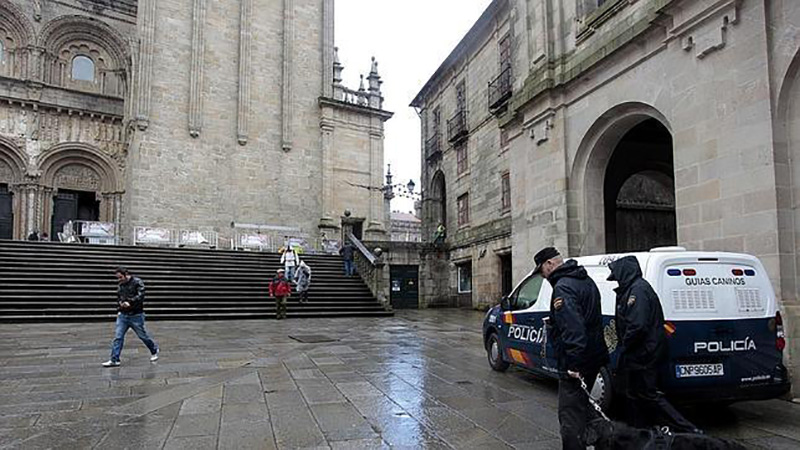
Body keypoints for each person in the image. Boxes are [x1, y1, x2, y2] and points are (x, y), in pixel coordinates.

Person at [607, 255, 700, 433]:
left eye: (617, 276)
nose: (616, 280)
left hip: (644, 353)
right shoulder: (634, 288)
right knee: (635, 394)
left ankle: (687, 430)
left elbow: (637, 325)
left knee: (648, 394)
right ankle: (640, 430)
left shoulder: (638, 291)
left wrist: (624, 348)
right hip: (642, 352)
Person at [535, 246, 609, 450]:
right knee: (584, 407)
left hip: (577, 364)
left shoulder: (564, 287)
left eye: (542, 271)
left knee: (570, 417)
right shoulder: (584, 279)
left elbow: (574, 329)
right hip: (594, 357)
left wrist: (573, 365)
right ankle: (607, 441)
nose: (543, 276)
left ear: (549, 264)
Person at [102, 267, 159, 367]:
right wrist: (120, 304)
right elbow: (119, 297)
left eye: (120, 277)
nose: (119, 280)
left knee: (143, 336)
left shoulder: (137, 282)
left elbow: (141, 296)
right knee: (118, 337)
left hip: (136, 315)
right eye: (118, 278)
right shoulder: (121, 285)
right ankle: (114, 359)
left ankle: (154, 350)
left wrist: (130, 302)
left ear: (126, 274)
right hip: (123, 315)